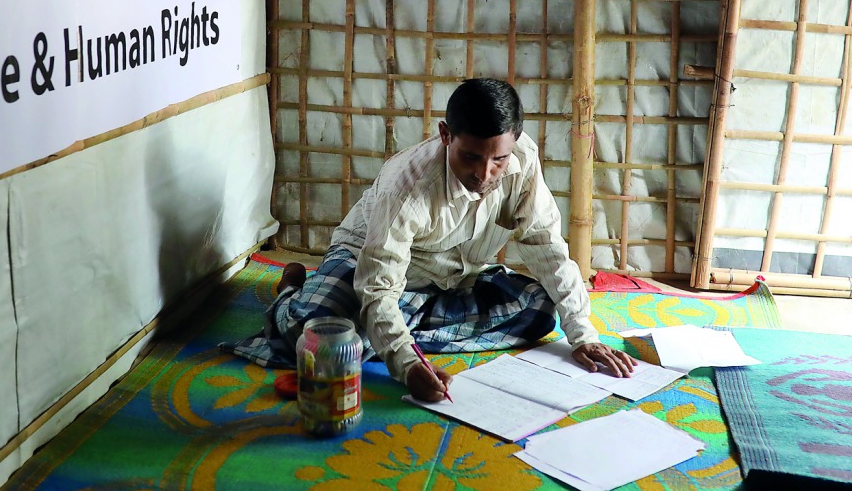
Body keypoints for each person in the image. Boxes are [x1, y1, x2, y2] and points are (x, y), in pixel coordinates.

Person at [222, 77, 634, 401]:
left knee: (541, 309)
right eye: (471, 156)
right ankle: (294, 292)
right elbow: (379, 286)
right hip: (366, 266)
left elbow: (546, 246)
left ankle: (384, 330)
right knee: (312, 337)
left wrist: (584, 334)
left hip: (456, 279)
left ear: (514, 144)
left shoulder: (522, 160)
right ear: (445, 135)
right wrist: (406, 365)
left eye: (499, 159)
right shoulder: (408, 186)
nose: (485, 174)